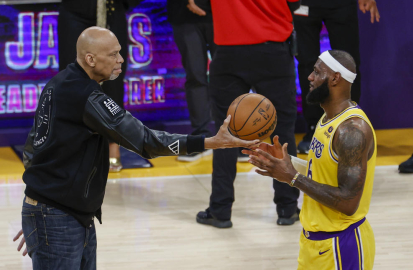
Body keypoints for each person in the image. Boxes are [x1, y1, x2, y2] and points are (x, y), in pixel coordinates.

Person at [12, 27, 258, 269]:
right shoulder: (88, 97)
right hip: (58, 217)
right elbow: (146, 141)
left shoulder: (59, 82)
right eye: (113, 54)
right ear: (90, 59)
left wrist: (38, 210)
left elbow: (33, 148)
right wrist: (209, 142)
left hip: (62, 214)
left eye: (120, 52)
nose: (121, 60)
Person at [245, 50, 377, 269]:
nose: (309, 77)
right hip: (313, 243)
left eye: (317, 72)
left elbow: (348, 202)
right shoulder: (327, 118)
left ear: (335, 78)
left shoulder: (352, 130)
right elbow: (323, 172)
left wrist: (293, 177)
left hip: (342, 245)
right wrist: (285, 162)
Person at [190, 0, 303, 228]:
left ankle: (220, 210)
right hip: (274, 51)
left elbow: (199, 3)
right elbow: (295, 2)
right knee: (281, 130)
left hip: (228, 52)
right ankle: (287, 208)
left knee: (225, 135)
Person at [294, 0, 380, 154]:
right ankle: (313, 129)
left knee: (348, 65)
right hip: (303, 0)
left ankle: (352, 125)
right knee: (307, 65)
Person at [58, 0, 131, 171]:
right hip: (76, 8)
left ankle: (113, 144)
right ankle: (73, 146)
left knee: (113, 77)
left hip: (112, 8)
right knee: (74, 80)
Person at [165, 0, 215, 162]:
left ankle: (236, 136)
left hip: (223, 10)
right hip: (183, 11)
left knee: (230, 77)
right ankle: (201, 137)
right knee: (195, 76)